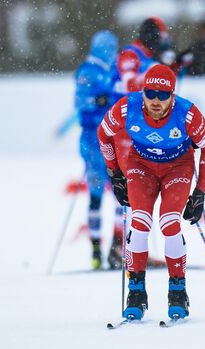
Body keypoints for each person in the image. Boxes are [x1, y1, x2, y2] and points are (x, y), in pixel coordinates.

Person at [98, 64, 205, 320]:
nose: (155, 100)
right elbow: (103, 134)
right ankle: (136, 293)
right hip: (141, 166)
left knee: (169, 223)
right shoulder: (127, 108)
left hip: (177, 167)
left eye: (163, 95)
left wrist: (200, 192)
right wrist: (114, 173)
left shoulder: (187, 114)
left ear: (173, 95)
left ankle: (177, 291)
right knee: (139, 222)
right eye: (150, 93)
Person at [74, 30, 124, 270]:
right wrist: (101, 100)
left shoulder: (112, 69)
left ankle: (116, 247)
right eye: (110, 47)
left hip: (111, 138)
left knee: (119, 192)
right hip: (92, 141)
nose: (113, 51)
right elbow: (81, 102)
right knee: (95, 193)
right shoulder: (88, 70)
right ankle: (95, 250)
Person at [113, 16, 193, 96]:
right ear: (151, 35)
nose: (162, 41)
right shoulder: (130, 54)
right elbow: (129, 86)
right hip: (123, 104)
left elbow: (163, 82)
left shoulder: (149, 54)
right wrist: (157, 71)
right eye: (161, 37)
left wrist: (176, 65)